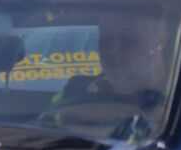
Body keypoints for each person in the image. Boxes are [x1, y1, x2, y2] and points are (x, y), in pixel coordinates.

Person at [48, 11, 172, 139]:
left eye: (128, 41)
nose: (112, 50)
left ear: (159, 42)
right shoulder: (75, 90)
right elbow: (45, 129)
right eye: (105, 40)